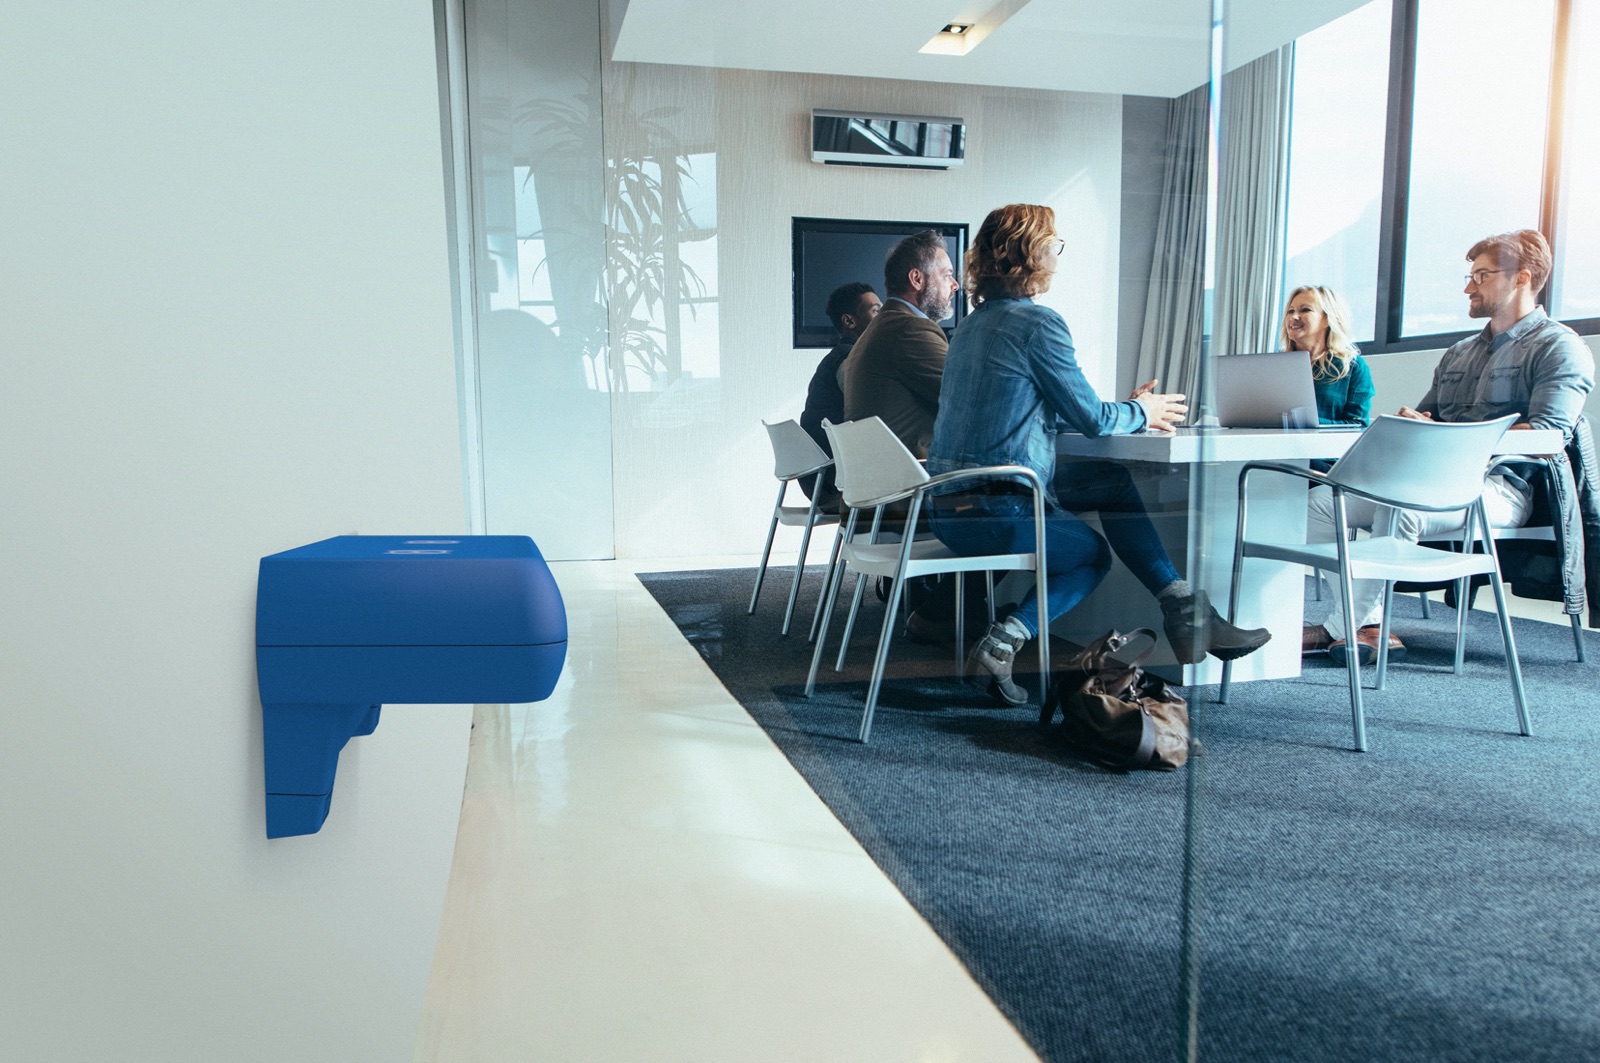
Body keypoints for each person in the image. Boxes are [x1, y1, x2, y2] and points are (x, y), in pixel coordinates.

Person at [926, 203, 1271, 705]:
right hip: (998, 510)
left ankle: (1185, 609)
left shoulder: (967, 331)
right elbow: (1091, 419)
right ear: (1031, 253)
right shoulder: (1039, 325)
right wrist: (1141, 409)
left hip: (945, 509)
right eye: (1053, 245)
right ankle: (1005, 640)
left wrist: (1127, 409)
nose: (1056, 255)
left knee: (1112, 482)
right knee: (1092, 556)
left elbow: (1037, 411)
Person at [1302, 229, 1595, 665]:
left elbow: (1550, 434)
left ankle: (1338, 628)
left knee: (1399, 503)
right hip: (1428, 481)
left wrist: (1449, 438)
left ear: (1521, 278)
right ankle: (1369, 622)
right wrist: (1418, 424)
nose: (1467, 287)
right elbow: (1428, 418)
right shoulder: (1458, 352)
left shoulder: (1560, 347)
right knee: (1320, 504)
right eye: (1469, 275)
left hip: (1504, 487)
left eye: (1480, 275)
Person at [841, 230, 957, 459]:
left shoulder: (884, 325)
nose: (955, 285)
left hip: (882, 481)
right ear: (916, 279)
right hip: (913, 485)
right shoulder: (909, 329)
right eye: (946, 275)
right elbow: (967, 396)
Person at [799, 281, 881, 504]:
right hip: (836, 483)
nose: (884, 317)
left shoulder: (840, 355)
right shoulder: (849, 361)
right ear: (849, 321)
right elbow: (869, 413)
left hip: (823, 480)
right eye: (876, 311)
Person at [1281, 284, 1373, 426]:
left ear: (1328, 319)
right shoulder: (1276, 365)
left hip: (1325, 446)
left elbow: (1357, 425)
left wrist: (1302, 423)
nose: (1294, 317)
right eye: (1290, 311)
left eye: (1305, 310)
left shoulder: (1352, 366)